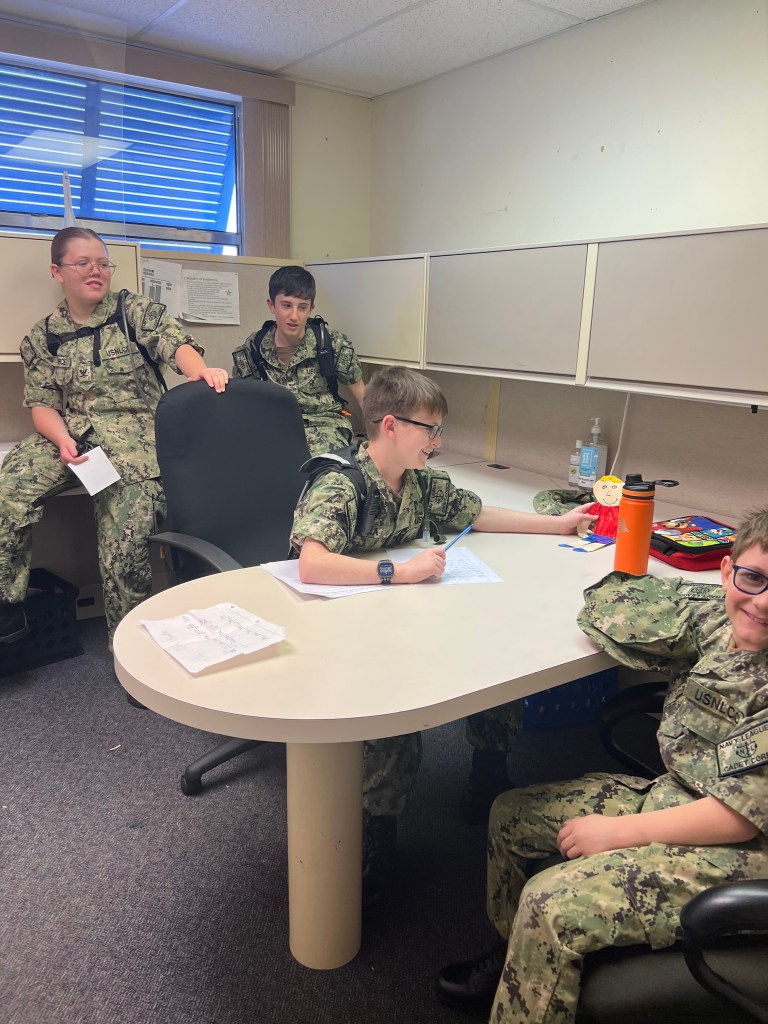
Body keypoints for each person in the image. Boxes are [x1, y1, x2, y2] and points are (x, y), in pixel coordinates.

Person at [436, 506, 768, 1024]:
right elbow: (630, 598)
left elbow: (737, 817)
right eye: (754, 578)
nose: (764, 602)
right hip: (680, 795)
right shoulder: (721, 618)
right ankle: (518, 964)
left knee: (550, 904)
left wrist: (618, 833)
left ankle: (533, 986)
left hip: (742, 844)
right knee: (511, 814)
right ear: (727, 572)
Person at [290, 365, 596, 901]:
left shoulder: (420, 481)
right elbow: (311, 565)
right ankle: (376, 831)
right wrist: (398, 571)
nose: (436, 441)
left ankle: (488, 773)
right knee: (395, 712)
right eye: (428, 429)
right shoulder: (342, 483)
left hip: (399, 613)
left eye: (438, 430)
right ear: (390, 425)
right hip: (340, 626)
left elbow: (476, 515)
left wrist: (558, 524)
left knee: (495, 653)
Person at [0, 226, 229, 647]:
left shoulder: (133, 312)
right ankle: (6, 605)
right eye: (83, 263)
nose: (96, 271)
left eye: (103, 263)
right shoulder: (43, 336)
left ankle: (128, 646)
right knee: (8, 487)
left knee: (124, 544)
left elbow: (175, 344)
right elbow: (42, 405)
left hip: (135, 444)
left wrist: (200, 372)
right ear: (57, 271)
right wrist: (62, 439)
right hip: (73, 438)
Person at [231, 265, 365, 455]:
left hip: (324, 424)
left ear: (311, 308)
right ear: (271, 305)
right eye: (286, 305)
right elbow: (240, 399)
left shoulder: (331, 343)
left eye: (302, 307)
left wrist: (377, 441)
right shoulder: (254, 347)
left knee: (321, 466)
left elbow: (362, 395)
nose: (294, 316)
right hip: (274, 425)